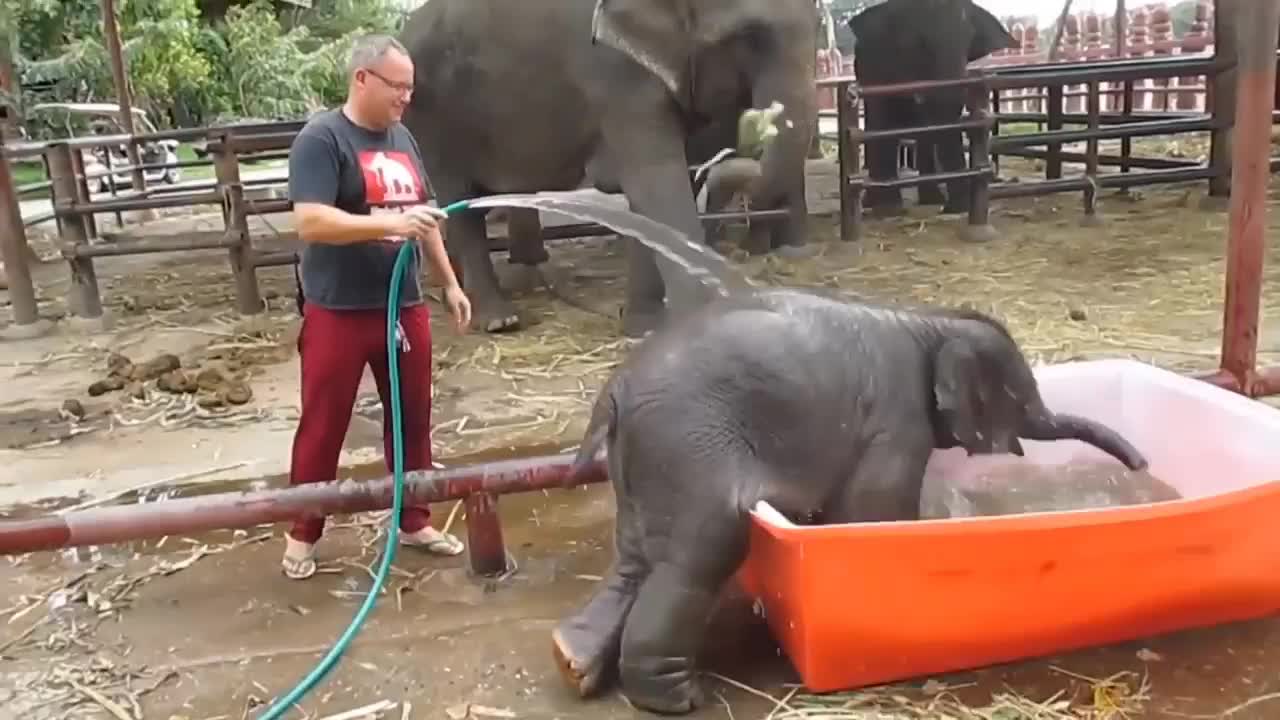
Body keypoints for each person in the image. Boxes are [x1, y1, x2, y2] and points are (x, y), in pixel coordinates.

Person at [281, 33, 473, 580]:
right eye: (397, 86)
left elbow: (425, 216)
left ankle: (413, 519)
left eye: (410, 88)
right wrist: (391, 222)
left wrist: (450, 284)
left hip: (403, 304)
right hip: (340, 308)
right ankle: (304, 530)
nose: (405, 97)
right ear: (361, 79)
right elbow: (311, 220)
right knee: (325, 421)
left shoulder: (403, 138)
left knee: (412, 416)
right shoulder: (322, 139)